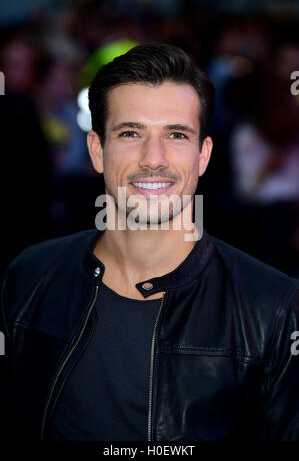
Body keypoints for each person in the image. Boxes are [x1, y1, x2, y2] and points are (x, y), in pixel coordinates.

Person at [1, 43, 299, 442]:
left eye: (176, 134)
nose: (153, 158)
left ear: (203, 155)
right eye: (130, 133)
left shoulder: (274, 310)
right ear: (97, 151)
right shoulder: (30, 277)